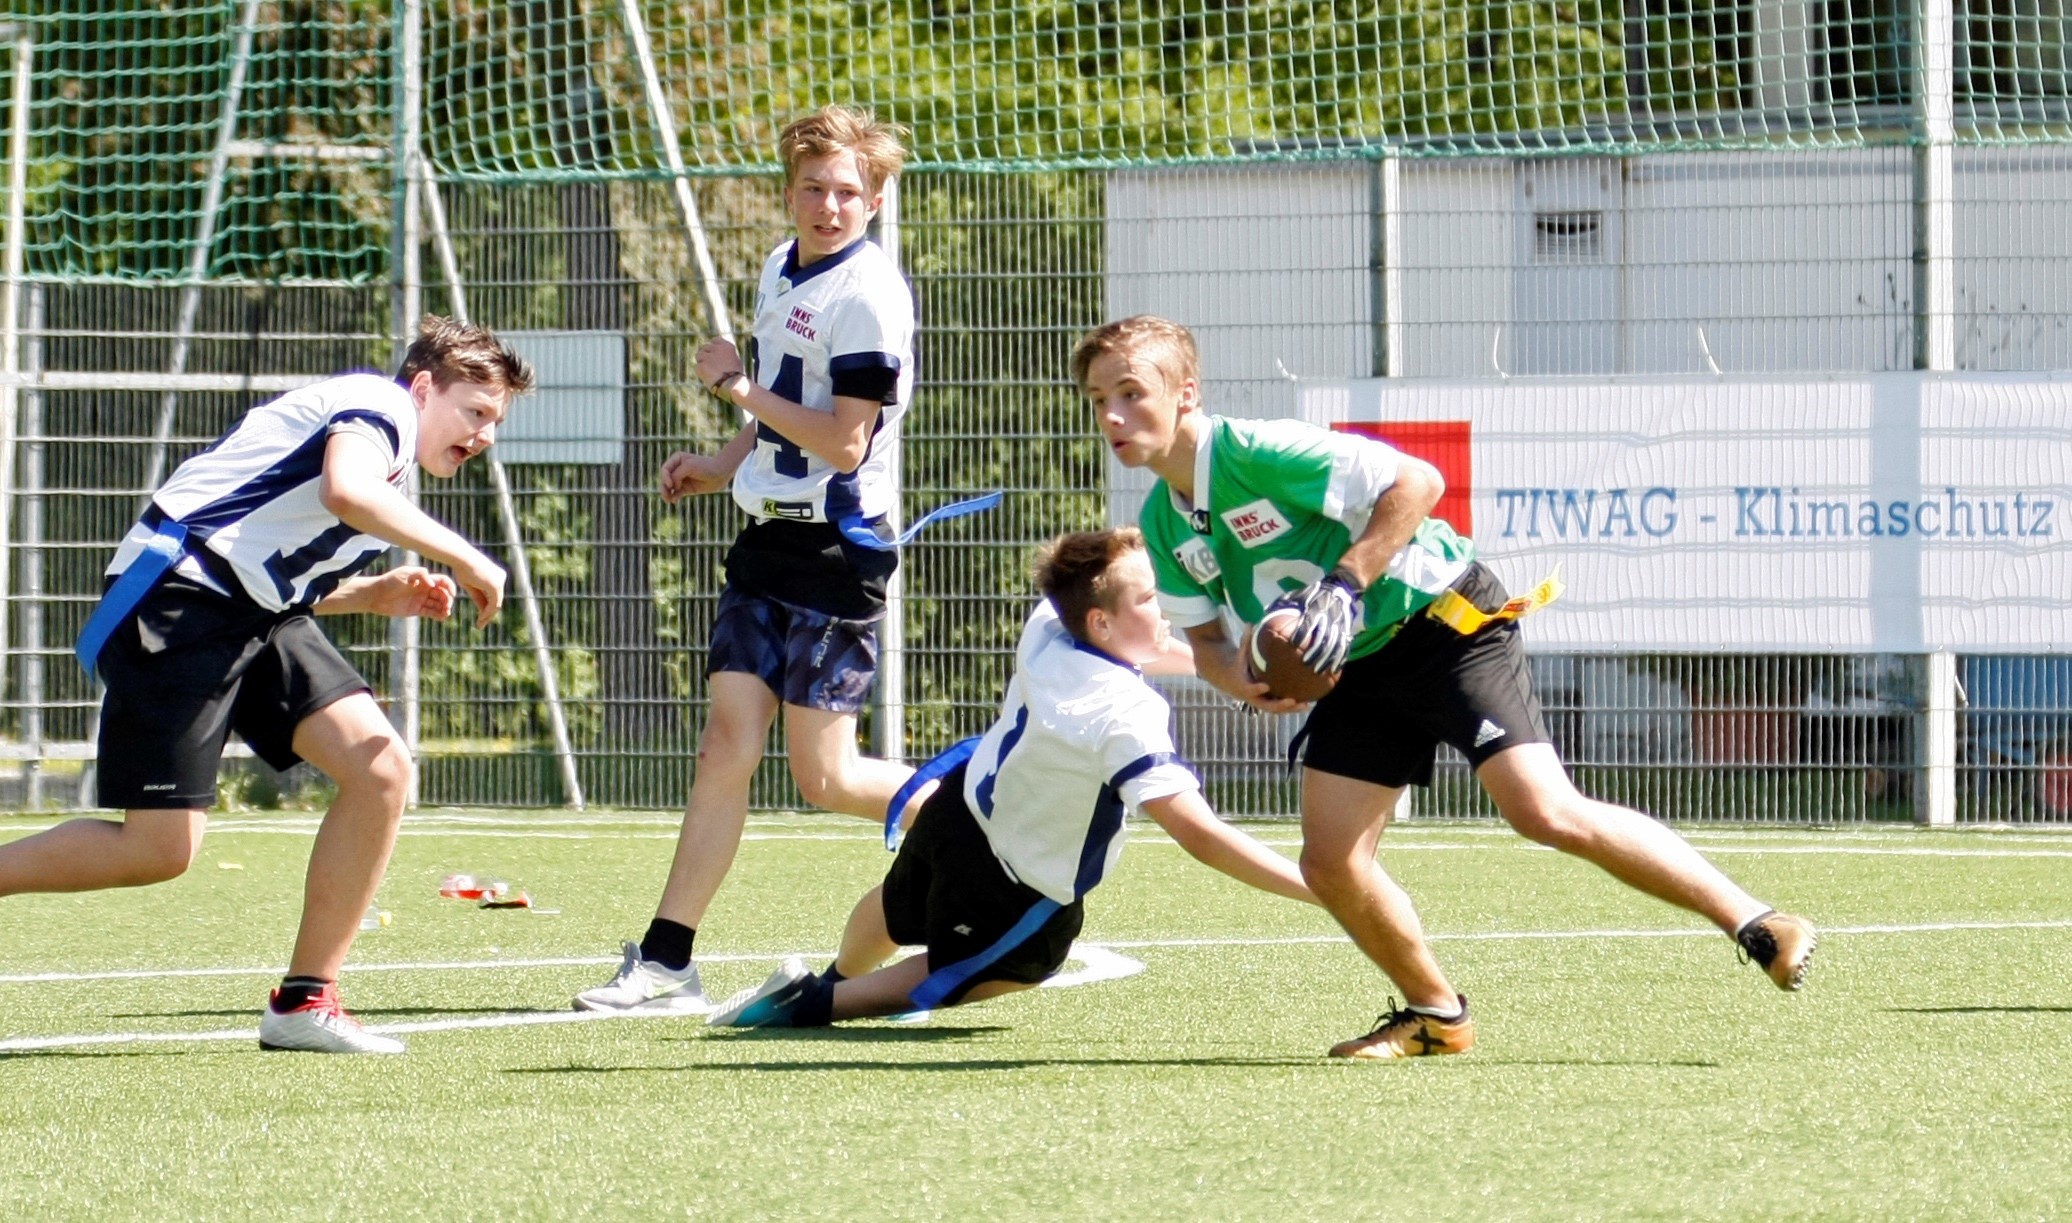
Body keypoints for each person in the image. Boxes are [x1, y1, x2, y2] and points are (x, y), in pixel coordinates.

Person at [1071, 315, 1817, 1060]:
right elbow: (1207, 642)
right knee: (1330, 863)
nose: (1112, 416)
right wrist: (1247, 681)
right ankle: (1436, 1015)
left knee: (1543, 810)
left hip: (1443, 624)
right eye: (1100, 399)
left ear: (1186, 393)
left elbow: (1418, 482)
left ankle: (1758, 922)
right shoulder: (1163, 523)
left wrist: (1345, 583)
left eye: (1132, 392)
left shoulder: (1257, 452)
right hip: (1355, 665)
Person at [0, 315, 527, 1054]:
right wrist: (468, 557)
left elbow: (279, 568)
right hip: (178, 599)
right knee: (160, 850)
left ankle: (305, 1000)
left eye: (494, 422)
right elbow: (345, 491)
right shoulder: (378, 406)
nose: (485, 435)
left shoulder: (391, 470)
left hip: (250, 611)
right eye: (475, 411)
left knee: (381, 767)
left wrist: (373, 594)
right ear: (421, 388)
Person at [576, 105, 932, 1014]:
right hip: (765, 542)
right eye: (814, 188)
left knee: (826, 779)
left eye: (848, 192)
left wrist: (735, 384)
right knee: (724, 745)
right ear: (790, 192)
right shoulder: (783, 266)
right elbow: (780, 404)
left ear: (875, 200)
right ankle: (667, 960)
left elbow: (844, 441)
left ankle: (974, 811)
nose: (829, 206)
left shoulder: (870, 295)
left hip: (837, 551)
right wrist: (724, 460)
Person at [704, 527, 1318, 1029]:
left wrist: (1224, 671)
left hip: (961, 805)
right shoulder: (1124, 713)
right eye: (1150, 598)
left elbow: (1132, 639)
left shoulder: (1050, 624)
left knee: (897, 904)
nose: (1165, 608)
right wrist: (1317, 888)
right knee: (1004, 967)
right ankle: (815, 1003)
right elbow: (1200, 834)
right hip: (1016, 877)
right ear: (1102, 623)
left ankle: (837, 973)